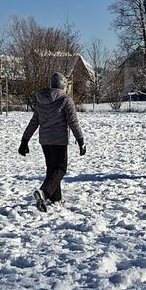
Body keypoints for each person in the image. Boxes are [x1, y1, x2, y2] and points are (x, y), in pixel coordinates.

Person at [18, 72, 86, 210]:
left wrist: (24, 140)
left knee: (52, 169)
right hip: (59, 140)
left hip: (45, 141)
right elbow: (73, 122)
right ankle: (44, 192)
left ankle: (57, 199)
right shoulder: (66, 100)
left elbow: (34, 121)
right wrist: (80, 140)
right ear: (63, 86)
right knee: (60, 168)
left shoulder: (41, 100)